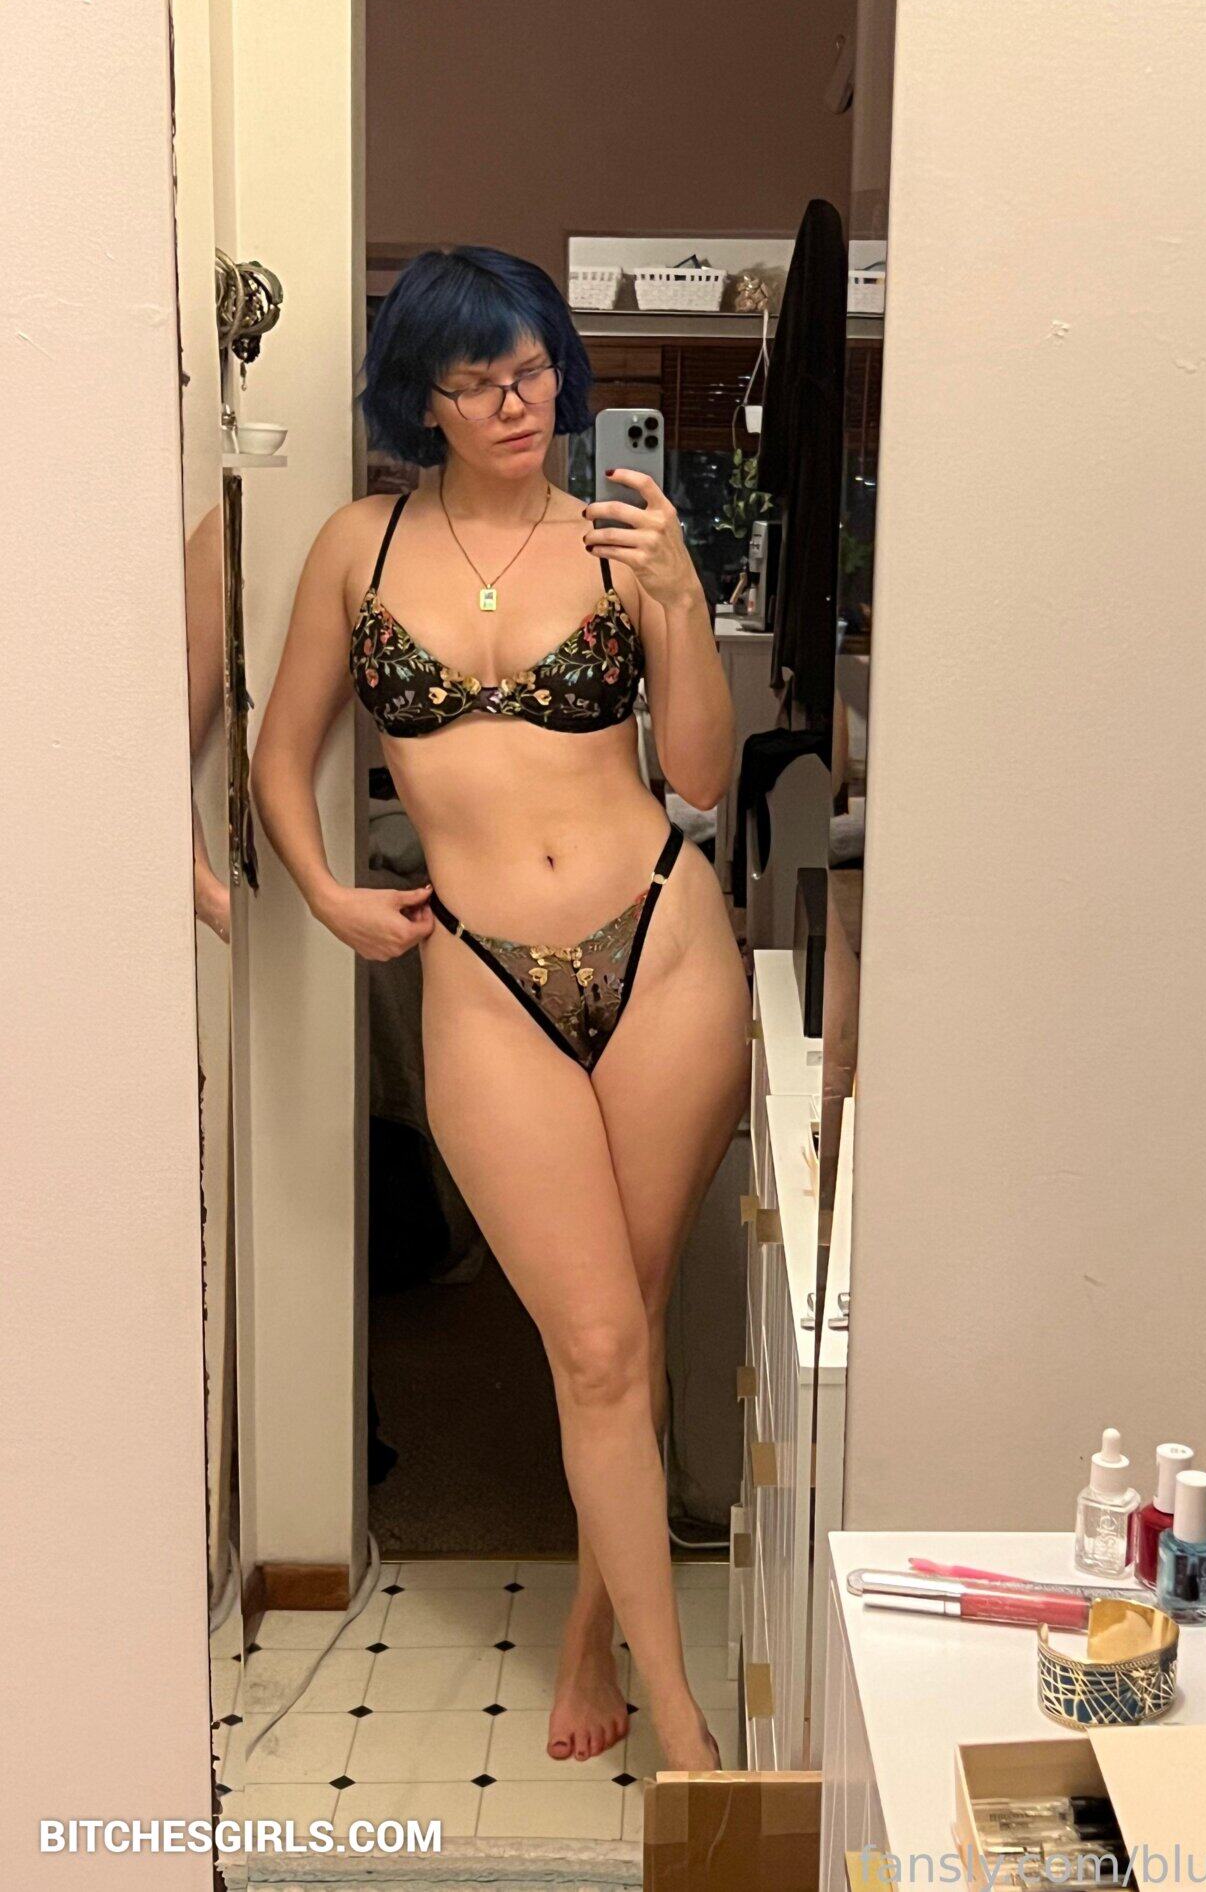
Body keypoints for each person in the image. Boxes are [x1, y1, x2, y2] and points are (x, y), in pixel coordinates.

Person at [250, 245, 751, 1771]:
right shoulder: (358, 545)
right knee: (591, 1341)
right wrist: (327, 893)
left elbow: (701, 773)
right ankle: (678, 1715)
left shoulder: (614, 541)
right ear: (423, 397)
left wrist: (678, 600)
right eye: (476, 381)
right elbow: (279, 755)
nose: (515, 401)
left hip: (661, 943)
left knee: (633, 1327)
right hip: (480, 972)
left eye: (531, 368)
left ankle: (615, 1649)